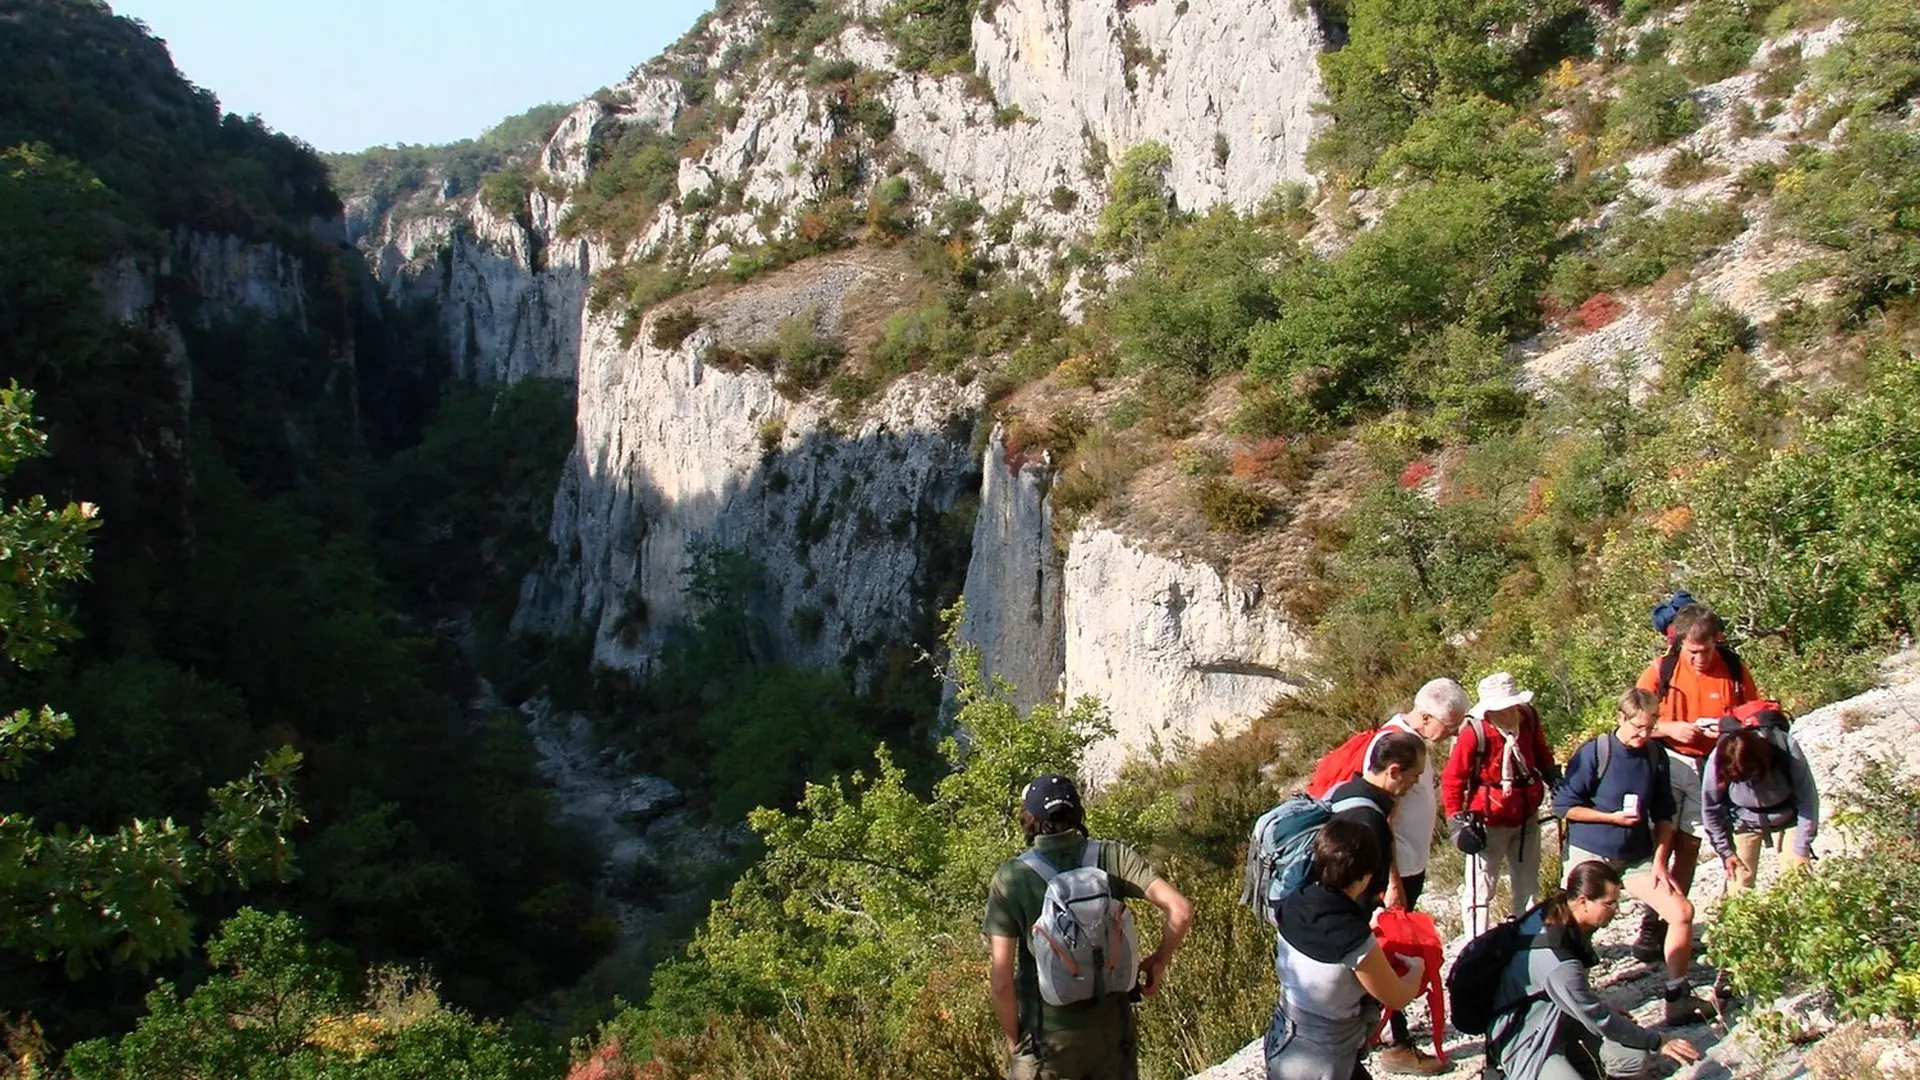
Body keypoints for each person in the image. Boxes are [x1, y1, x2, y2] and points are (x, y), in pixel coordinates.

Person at [986, 773, 1193, 1080]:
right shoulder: (1112, 856)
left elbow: (1001, 980)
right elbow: (1181, 909)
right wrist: (1158, 962)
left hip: (1048, 1039)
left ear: (1029, 820)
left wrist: (1014, 1039)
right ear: (1078, 812)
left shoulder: (1011, 878)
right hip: (1112, 1031)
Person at [1552, 689, 1712, 1026]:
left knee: (1681, 912)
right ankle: (1569, 1006)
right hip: (1592, 853)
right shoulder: (1597, 752)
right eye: (1637, 727)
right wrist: (1610, 818)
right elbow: (1564, 806)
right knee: (1574, 929)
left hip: (1637, 856)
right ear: (1620, 718)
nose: (1643, 734)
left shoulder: (1656, 754)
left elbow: (1666, 813)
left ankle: (1677, 996)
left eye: (1650, 727)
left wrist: (1659, 860)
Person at [1485, 860, 1703, 1080]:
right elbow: (1596, 1017)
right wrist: (1657, 1041)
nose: (1616, 910)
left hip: (1561, 1019)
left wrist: (1599, 1012)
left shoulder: (1561, 914)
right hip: (1524, 1039)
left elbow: (1585, 1004)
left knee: (1631, 1058)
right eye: (1610, 904)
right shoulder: (1558, 959)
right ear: (1584, 902)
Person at [1632, 604, 1759, 957]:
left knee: (1690, 844)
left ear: (1716, 641)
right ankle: (1651, 922)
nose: (1700, 658)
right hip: (1671, 760)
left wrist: (1729, 728)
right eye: (1692, 652)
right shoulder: (1662, 669)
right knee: (1663, 842)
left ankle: (1673, 919)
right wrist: (1670, 727)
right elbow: (1632, 719)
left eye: (1706, 650)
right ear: (1680, 645)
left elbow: (1754, 715)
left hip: (1716, 763)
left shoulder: (1732, 668)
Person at [1265, 818, 1428, 1080]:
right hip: (1323, 1057)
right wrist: (1416, 970)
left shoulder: (1296, 900)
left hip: (1285, 1038)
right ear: (1366, 876)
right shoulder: (1351, 936)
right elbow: (1396, 997)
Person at [1371, 679, 1469, 1076]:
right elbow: (1383, 819)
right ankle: (1397, 1042)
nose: (1452, 734)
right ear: (1425, 716)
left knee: (1391, 950)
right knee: (1395, 952)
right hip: (1398, 870)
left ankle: (1375, 1030)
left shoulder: (1411, 742)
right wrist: (1392, 880)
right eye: (1448, 726)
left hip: (1410, 865)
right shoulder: (1396, 747)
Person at [1442, 672, 1556, 942]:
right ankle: (1475, 946)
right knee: (1480, 891)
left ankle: (1525, 942)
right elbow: (1453, 779)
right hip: (1487, 821)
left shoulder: (1527, 718)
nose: (1507, 710)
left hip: (1526, 814)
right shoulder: (1475, 733)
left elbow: (1540, 752)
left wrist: (1554, 778)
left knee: (1527, 884)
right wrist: (1456, 821)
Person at [1701, 712, 1819, 893]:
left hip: (1789, 818)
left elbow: (1808, 799)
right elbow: (1710, 808)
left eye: (1749, 775)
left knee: (1798, 883)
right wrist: (1726, 852)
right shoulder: (1717, 760)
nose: (1747, 782)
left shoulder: (1783, 746)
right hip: (1744, 822)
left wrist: (1802, 849)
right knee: (1738, 887)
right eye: (1738, 778)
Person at [1325, 731, 1429, 912]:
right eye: (1415, 774)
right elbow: (1356, 887)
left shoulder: (1344, 791)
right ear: (1394, 771)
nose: (1417, 781)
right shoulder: (1368, 821)